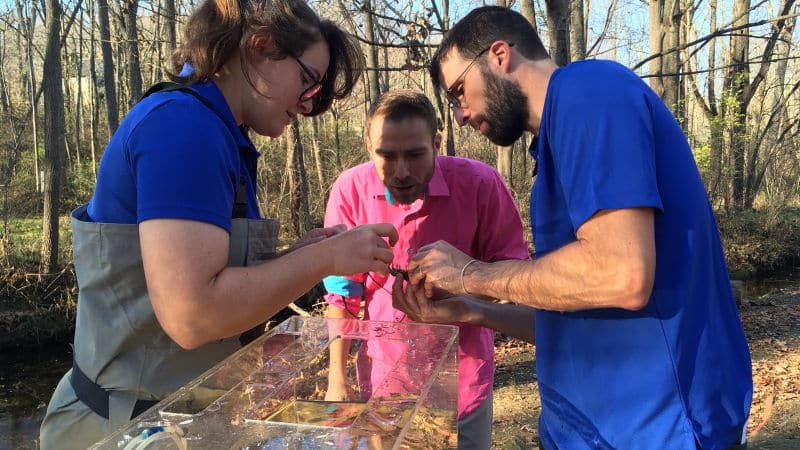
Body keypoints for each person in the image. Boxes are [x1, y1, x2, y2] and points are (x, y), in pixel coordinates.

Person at [39, 1, 398, 448]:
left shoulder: (219, 132)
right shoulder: (183, 127)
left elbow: (209, 279)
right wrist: (324, 259)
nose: (308, 105)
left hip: (172, 421)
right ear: (261, 46)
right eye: (308, 81)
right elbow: (191, 315)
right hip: (125, 430)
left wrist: (300, 254)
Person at [395, 6, 753, 449]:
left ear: (499, 55)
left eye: (458, 91)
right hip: (586, 429)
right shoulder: (551, 147)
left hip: (658, 430)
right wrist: (472, 309)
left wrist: (470, 273)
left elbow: (622, 276)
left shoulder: (589, 92)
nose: (461, 115)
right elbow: (576, 315)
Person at [322, 89, 531, 449]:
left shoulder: (481, 185)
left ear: (436, 142)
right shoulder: (350, 191)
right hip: (384, 382)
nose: (401, 172)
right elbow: (341, 296)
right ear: (370, 148)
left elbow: (517, 282)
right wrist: (336, 379)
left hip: (463, 382)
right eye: (386, 155)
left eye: (415, 155)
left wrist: (464, 281)